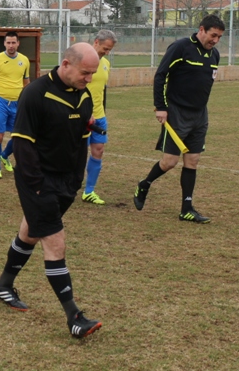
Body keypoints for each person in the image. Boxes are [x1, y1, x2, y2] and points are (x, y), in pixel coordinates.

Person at [0, 43, 102, 339]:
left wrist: (77, 180)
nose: (88, 78)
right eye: (85, 72)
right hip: (37, 180)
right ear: (66, 64)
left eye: (93, 73)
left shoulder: (84, 96)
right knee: (55, 241)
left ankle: (3, 285)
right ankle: (74, 317)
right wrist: (37, 187)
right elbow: (22, 146)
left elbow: (82, 142)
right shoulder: (36, 94)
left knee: (31, 231)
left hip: (66, 182)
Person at [133, 15, 223, 223]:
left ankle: (186, 209)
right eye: (213, 35)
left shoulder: (214, 55)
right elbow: (161, 75)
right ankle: (145, 184)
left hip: (200, 115)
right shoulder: (181, 47)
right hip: (176, 113)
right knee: (170, 162)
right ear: (202, 30)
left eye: (219, 37)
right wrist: (161, 107)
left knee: (193, 160)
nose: (215, 40)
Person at [0, 30, 31, 179]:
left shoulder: (24, 60)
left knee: (18, 137)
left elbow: (26, 83)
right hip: (1, 101)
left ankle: (4, 155)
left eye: (13, 42)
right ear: (4, 43)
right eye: (8, 42)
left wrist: (28, 102)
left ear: (18, 43)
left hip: (18, 103)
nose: (11, 45)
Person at [82, 30, 117, 204]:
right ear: (96, 42)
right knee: (76, 155)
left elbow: (101, 91)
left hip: (99, 117)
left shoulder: (105, 64)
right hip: (81, 117)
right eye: (105, 48)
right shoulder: (80, 59)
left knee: (98, 151)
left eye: (109, 49)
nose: (107, 52)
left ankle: (89, 191)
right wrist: (84, 113)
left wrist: (100, 112)